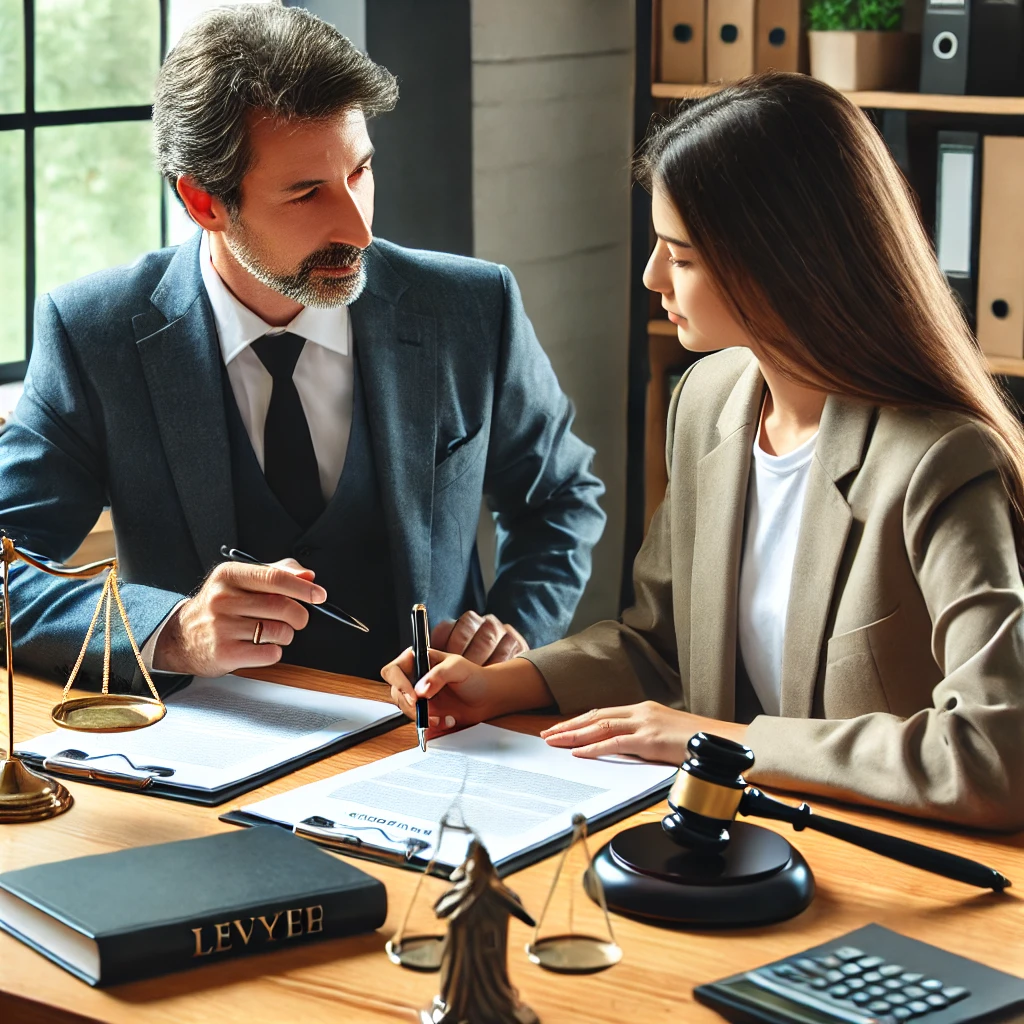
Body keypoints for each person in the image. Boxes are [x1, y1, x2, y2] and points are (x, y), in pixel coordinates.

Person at [385, 71, 1024, 831]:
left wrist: (719, 741)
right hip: (735, 838)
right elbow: (662, 647)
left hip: (893, 863)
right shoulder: (708, 400)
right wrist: (502, 685)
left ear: (784, 264)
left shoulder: (940, 462)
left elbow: (993, 754)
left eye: (681, 256)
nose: (651, 275)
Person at [0, 3, 605, 687]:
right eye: (307, 193)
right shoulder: (94, 335)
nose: (360, 230)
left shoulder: (470, 307)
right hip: (205, 739)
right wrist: (173, 633)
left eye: (360, 172)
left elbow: (560, 498)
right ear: (203, 203)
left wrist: (513, 635)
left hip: (427, 734)